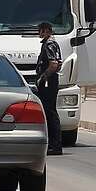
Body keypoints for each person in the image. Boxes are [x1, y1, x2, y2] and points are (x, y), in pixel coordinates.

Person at [35, 22, 63, 155]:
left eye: (40, 31)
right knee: (50, 112)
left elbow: (53, 64)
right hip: (51, 81)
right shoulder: (53, 44)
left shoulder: (49, 44)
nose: (39, 34)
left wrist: (43, 77)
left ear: (46, 31)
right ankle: (54, 144)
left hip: (48, 82)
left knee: (49, 112)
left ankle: (55, 145)